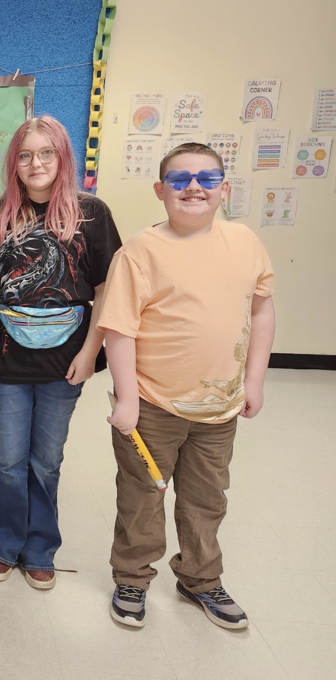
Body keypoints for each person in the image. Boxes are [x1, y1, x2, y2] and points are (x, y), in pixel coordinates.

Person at [100, 142, 275, 630]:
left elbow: (261, 311)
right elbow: (119, 329)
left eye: (206, 178)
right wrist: (128, 399)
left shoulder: (245, 244)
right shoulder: (140, 251)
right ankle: (132, 576)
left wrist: (254, 380)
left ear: (225, 188)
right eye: (179, 179)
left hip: (218, 410)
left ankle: (200, 578)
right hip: (152, 405)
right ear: (161, 190)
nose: (193, 187)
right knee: (142, 498)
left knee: (207, 499)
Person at [0, 115, 122, 590]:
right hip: (5, 358)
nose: (36, 163)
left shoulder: (91, 215)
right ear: (14, 162)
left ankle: (39, 548)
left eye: (46, 153)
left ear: (62, 157)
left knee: (46, 460)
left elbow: (107, 286)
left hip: (65, 360)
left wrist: (92, 351)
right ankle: (3, 544)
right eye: (26, 154)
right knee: (8, 458)